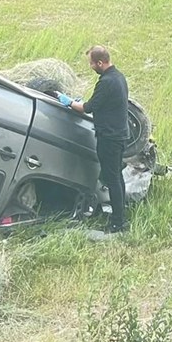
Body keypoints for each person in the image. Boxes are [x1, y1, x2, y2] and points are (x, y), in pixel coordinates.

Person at [58, 46, 130, 233]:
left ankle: (117, 223)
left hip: (109, 137)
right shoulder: (119, 77)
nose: (90, 67)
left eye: (91, 63)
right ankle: (121, 214)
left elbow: (88, 108)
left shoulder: (106, 82)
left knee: (111, 178)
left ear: (100, 62)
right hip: (120, 134)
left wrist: (70, 102)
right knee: (117, 177)